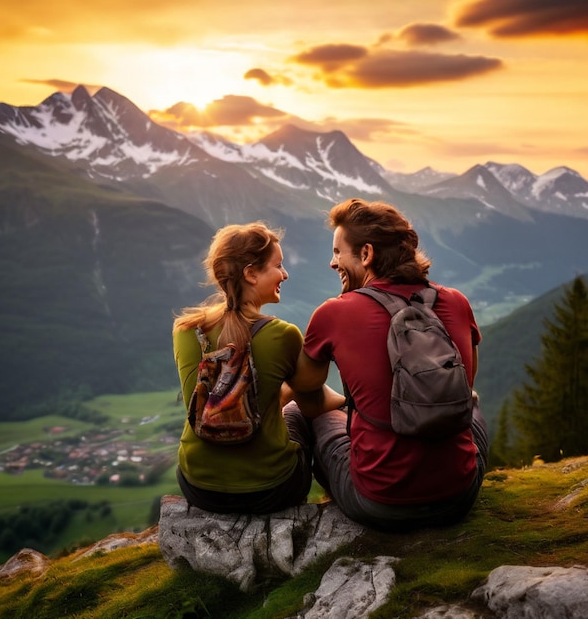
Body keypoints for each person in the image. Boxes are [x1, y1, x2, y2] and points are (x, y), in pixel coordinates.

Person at [290, 198, 489, 531]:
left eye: (338, 252)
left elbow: (305, 391)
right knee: (472, 401)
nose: (331, 262)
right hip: (458, 497)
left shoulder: (333, 313)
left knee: (297, 412)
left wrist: (350, 404)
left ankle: (292, 513)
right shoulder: (456, 302)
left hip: (378, 503)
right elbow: (466, 383)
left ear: (366, 254)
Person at [173, 222, 315, 514]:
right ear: (251, 273)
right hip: (271, 489)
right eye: (279, 265)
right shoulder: (283, 334)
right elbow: (312, 399)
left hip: (199, 487)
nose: (285, 274)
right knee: (303, 416)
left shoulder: (186, 331)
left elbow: (200, 403)